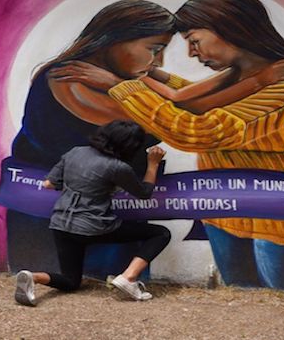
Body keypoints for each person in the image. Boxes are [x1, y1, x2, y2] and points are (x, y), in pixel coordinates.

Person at [67, 0, 284, 291]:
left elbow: (198, 130)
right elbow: (191, 98)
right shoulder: (246, 76)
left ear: (231, 28)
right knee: (240, 299)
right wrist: (144, 75)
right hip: (229, 216)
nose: (191, 53)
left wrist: (119, 85)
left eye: (194, 41)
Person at [1, 0, 177, 278]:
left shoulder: (123, 83)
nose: (159, 62)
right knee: (72, 278)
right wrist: (125, 88)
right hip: (53, 216)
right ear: (115, 39)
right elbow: (163, 124)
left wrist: (122, 85)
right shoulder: (68, 78)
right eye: (154, 49)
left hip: (100, 212)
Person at [13, 121, 171, 305]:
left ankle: (33, 276)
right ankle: (128, 277)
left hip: (61, 225)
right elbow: (144, 193)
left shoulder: (75, 152)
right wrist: (153, 164)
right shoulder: (117, 167)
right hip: (93, 227)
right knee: (160, 233)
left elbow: (48, 184)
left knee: (71, 282)